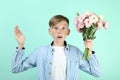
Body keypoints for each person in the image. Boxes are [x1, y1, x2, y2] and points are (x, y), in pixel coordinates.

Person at [12, 15, 100, 80]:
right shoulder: (40, 52)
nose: (59, 32)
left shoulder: (75, 52)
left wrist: (90, 51)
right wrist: (21, 45)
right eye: (55, 28)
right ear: (50, 31)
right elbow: (16, 68)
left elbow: (96, 72)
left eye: (63, 28)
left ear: (68, 32)